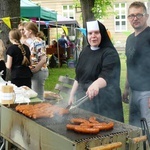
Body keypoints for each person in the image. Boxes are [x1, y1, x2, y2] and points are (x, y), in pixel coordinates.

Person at [68, 20, 124, 122]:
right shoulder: (85, 51)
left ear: (102, 34)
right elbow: (79, 76)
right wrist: (71, 95)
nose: (93, 36)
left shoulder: (110, 53)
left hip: (105, 103)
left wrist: (96, 85)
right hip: (85, 101)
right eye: (90, 33)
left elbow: (107, 74)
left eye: (96, 33)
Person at [122, 1, 150, 128]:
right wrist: (126, 88)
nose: (135, 18)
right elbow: (130, 64)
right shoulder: (129, 39)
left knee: (148, 130)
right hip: (133, 92)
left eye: (139, 15)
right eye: (131, 15)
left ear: (146, 16)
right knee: (135, 129)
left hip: (147, 93)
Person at [24, 22, 48, 100]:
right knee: (36, 95)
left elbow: (43, 58)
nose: (24, 33)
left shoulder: (38, 42)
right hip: (36, 71)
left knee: (38, 96)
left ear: (30, 31)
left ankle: (42, 111)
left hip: (39, 71)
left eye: (25, 31)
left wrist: (36, 69)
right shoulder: (34, 42)